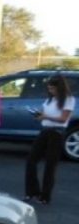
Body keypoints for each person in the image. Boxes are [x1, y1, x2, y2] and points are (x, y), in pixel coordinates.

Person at [25, 74, 75, 204]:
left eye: (53, 88)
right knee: (31, 160)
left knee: (50, 165)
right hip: (45, 130)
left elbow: (64, 118)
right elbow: (44, 112)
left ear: (60, 88)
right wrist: (38, 114)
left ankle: (45, 196)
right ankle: (32, 192)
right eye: (49, 88)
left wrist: (46, 117)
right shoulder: (49, 100)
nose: (50, 91)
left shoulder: (68, 100)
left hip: (56, 133)